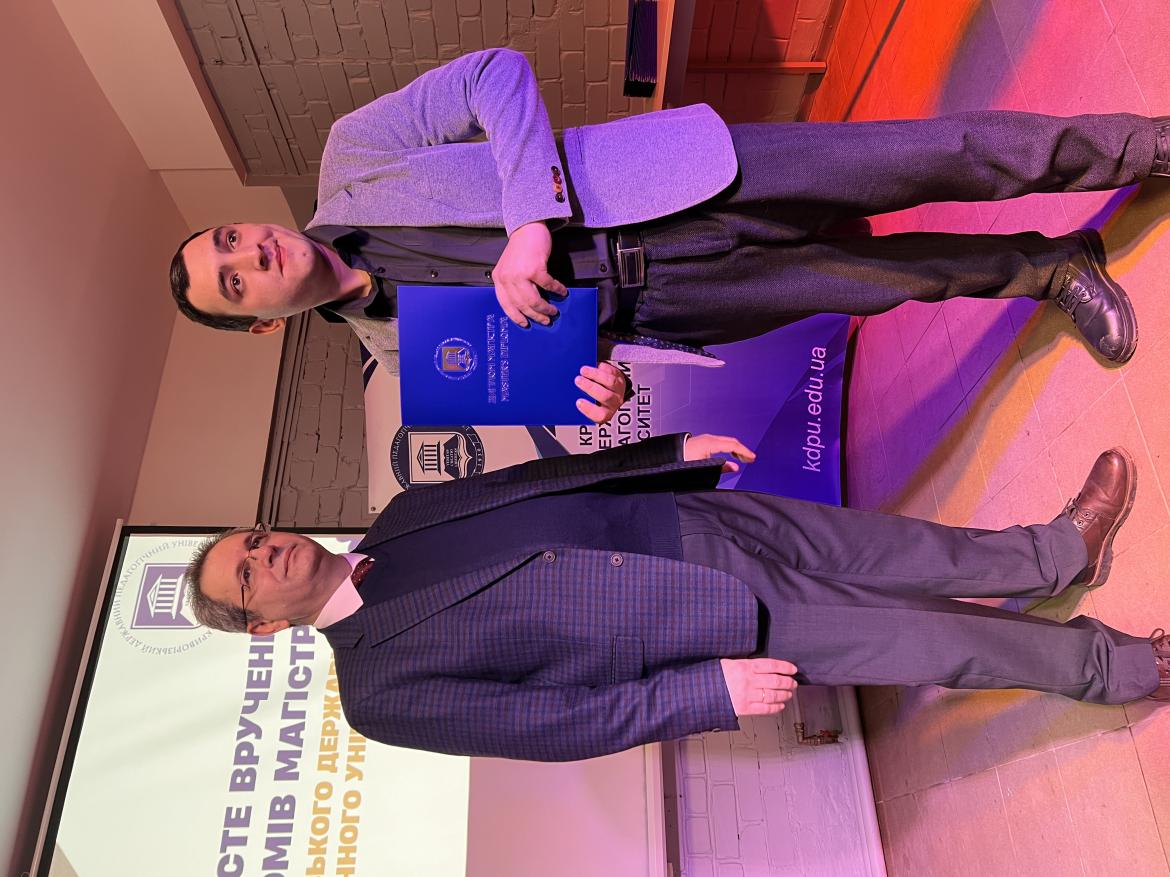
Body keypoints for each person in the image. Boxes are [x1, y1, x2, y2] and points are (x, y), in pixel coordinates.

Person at [170, 49, 1168, 423]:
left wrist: (528, 220)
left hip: (674, 183)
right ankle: (1049, 269)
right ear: (260, 325)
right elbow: (561, 374)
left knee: (923, 156)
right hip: (671, 301)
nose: (250, 253)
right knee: (885, 279)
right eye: (234, 282)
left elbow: (492, 74)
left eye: (228, 239)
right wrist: (595, 385)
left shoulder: (356, 156)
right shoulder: (399, 359)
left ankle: (1138, 147)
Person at [186, 432, 1168, 762]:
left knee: (901, 546)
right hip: (698, 618)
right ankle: (1121, 667)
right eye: (248, 571)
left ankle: (1054, 555)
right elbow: (549, 723)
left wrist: (667, 453)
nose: (266, 551)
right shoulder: (377, 693)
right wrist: (705, 693)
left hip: (690, 517)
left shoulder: (401, 515)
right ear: (262, 623)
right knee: (924, 638)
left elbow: (541, 481)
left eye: (253, 537)